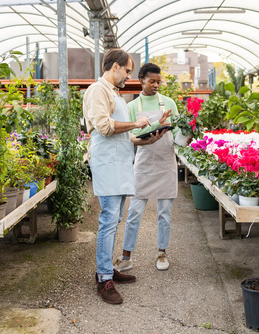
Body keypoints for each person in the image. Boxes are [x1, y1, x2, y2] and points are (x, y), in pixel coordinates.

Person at [83, 50, 166, 304]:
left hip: (119, 163)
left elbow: (123, 135)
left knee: (115, 217)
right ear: (116, 67)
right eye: (127, 71)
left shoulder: (114, 94)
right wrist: (136, 124)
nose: (129, 76)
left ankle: (106, 268)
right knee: (108, 219)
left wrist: (148, 137)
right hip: (108, 164)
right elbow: (105, 126)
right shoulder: (98, 91)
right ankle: (103, 279)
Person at [113, 63, 178, 272]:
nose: (156, 85)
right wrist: (155, 127)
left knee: (164, 213)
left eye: (159, 82)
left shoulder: (169, 103)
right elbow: (130, 137)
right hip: (143, 162)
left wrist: (189, 136)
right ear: (141, 80)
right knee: (134, 212)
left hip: (166, 160)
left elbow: (177, 135)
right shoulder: (131, 107)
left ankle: (162, 252)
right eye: (152, 81)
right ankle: (126, 257)